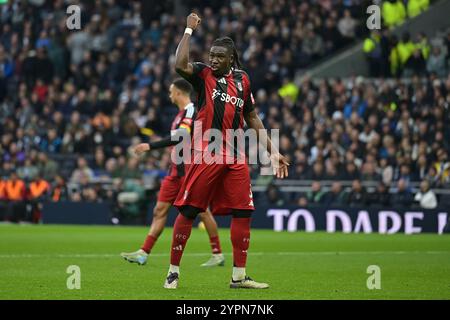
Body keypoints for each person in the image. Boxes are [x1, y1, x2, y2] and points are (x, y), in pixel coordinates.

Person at [164, 13, 289, 289]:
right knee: (189, 210)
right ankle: (173, 271)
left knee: (244, 211)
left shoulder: (243, 80)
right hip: (206, 150)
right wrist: (187, 29)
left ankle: (239, 276)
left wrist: (273, 151)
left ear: (231, 58)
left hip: (234, 154)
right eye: (211, 55)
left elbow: (252, 118)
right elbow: (179, 63)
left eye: (219, 57)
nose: (214, 60)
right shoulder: (202, 75)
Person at [120, 78, 225, 267]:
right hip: (175, 171)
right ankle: (144, 252)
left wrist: (150, 146)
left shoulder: (192, 110)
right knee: (159, 210)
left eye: (171, 91)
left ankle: (217, 253)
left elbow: (182, 136)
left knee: (202, 211)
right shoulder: (179, 115)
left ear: (178, 92)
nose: (169, 94)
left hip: (190, 171)